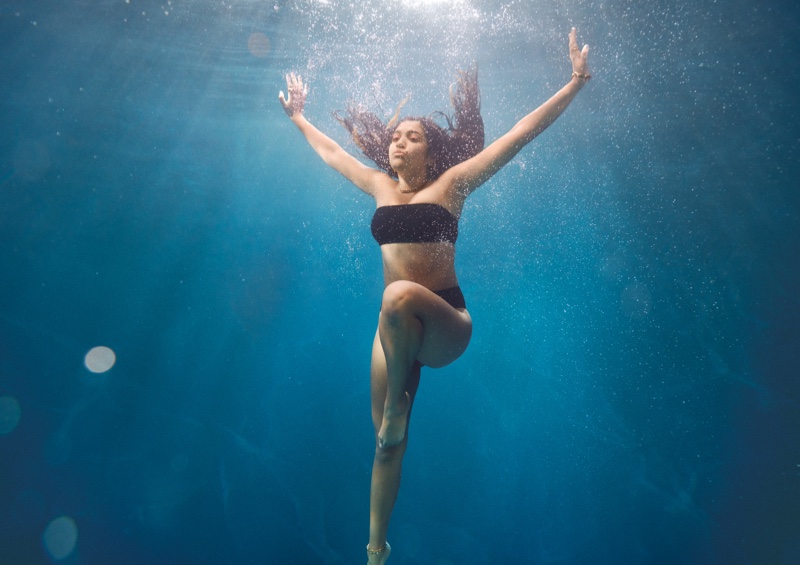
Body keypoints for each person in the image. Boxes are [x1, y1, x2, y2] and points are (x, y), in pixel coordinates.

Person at [279, 28, 590, 565]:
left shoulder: (453, 185)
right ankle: (376, 550)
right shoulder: (378, 185)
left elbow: (519, 134)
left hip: (446, 324)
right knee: (384, 443)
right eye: (395, 136)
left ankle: (400, 405)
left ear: (433, 150)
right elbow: (332, 153)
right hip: (395, 332)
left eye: (413, 136)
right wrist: (300, 118)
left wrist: (575, 83)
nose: (399, 142)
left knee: (398, 294)